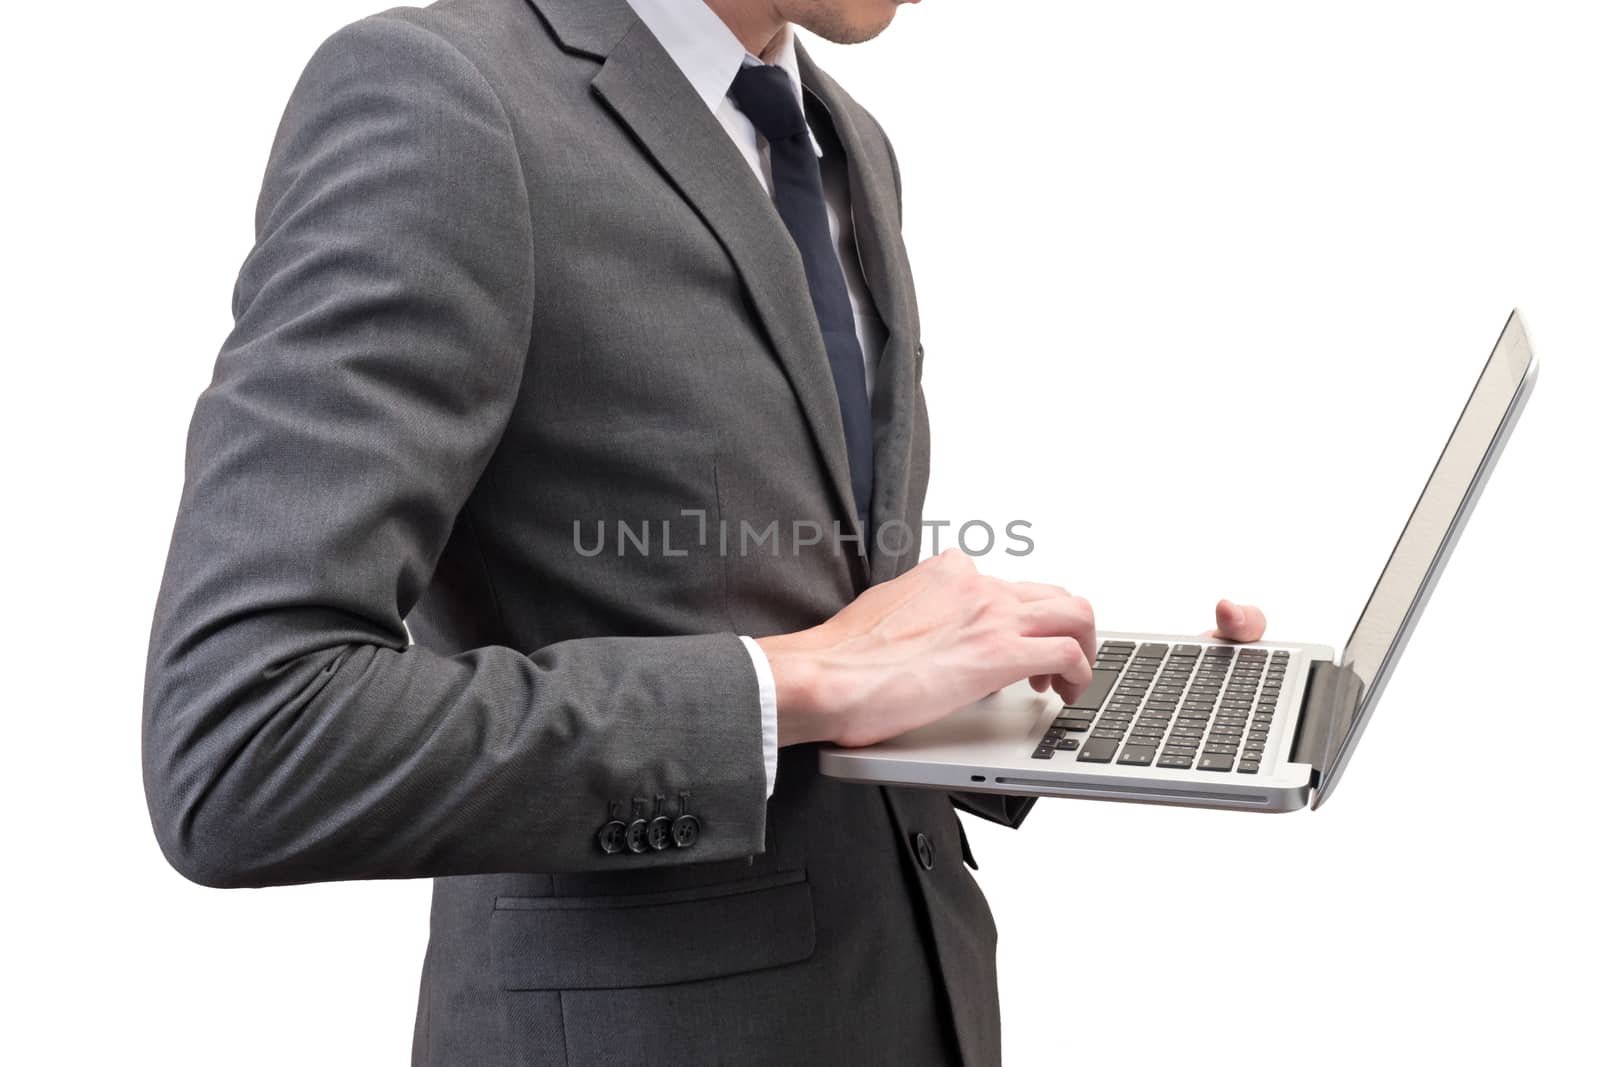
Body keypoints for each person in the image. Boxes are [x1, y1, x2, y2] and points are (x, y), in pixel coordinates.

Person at [142, 0, 1266, 1062]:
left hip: (909, 1007)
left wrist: (1010, 685)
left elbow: (805, 610)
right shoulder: (444, 99)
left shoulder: (842, 139)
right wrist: (790, 683)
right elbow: (243, 742)